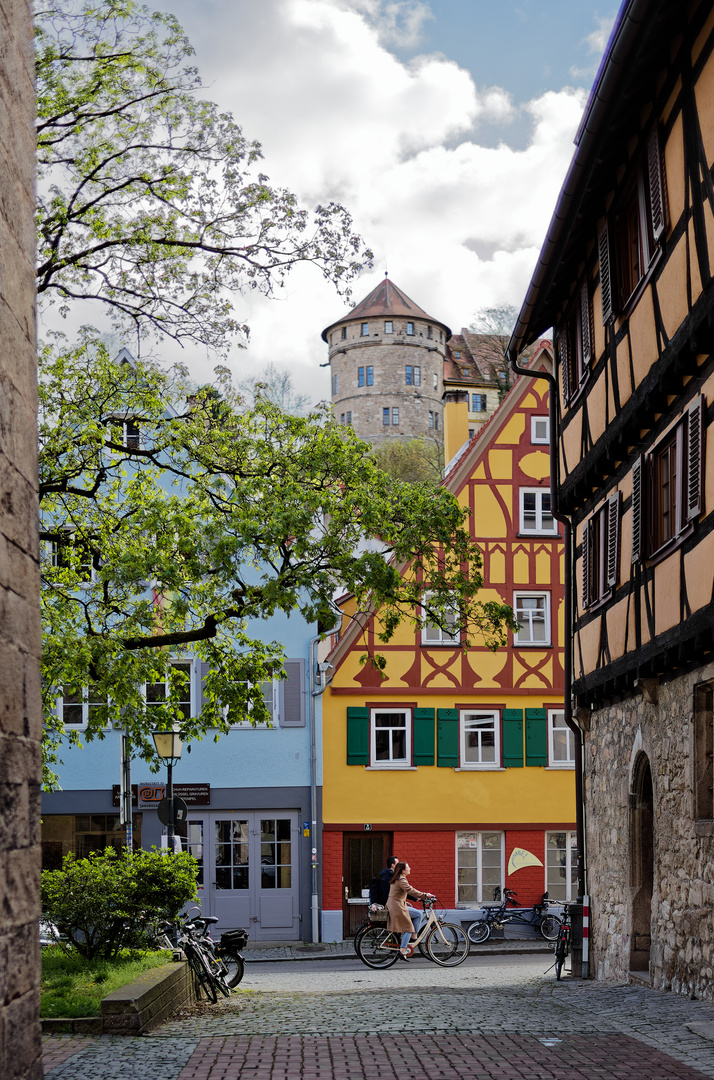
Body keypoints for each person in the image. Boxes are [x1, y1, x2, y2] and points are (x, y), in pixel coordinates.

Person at [386, 861, 434, 960]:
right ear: (403, 870)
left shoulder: (397, 878)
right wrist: (425, 895)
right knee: (408, 927)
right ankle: (403, 949)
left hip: (396, 905)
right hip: (397, 907)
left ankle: (413, 936)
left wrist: (418, 898)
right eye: (408, 867)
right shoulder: (401, 879)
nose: (410, 869)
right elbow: (410, 890)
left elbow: (402, 893)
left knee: (418, 914)